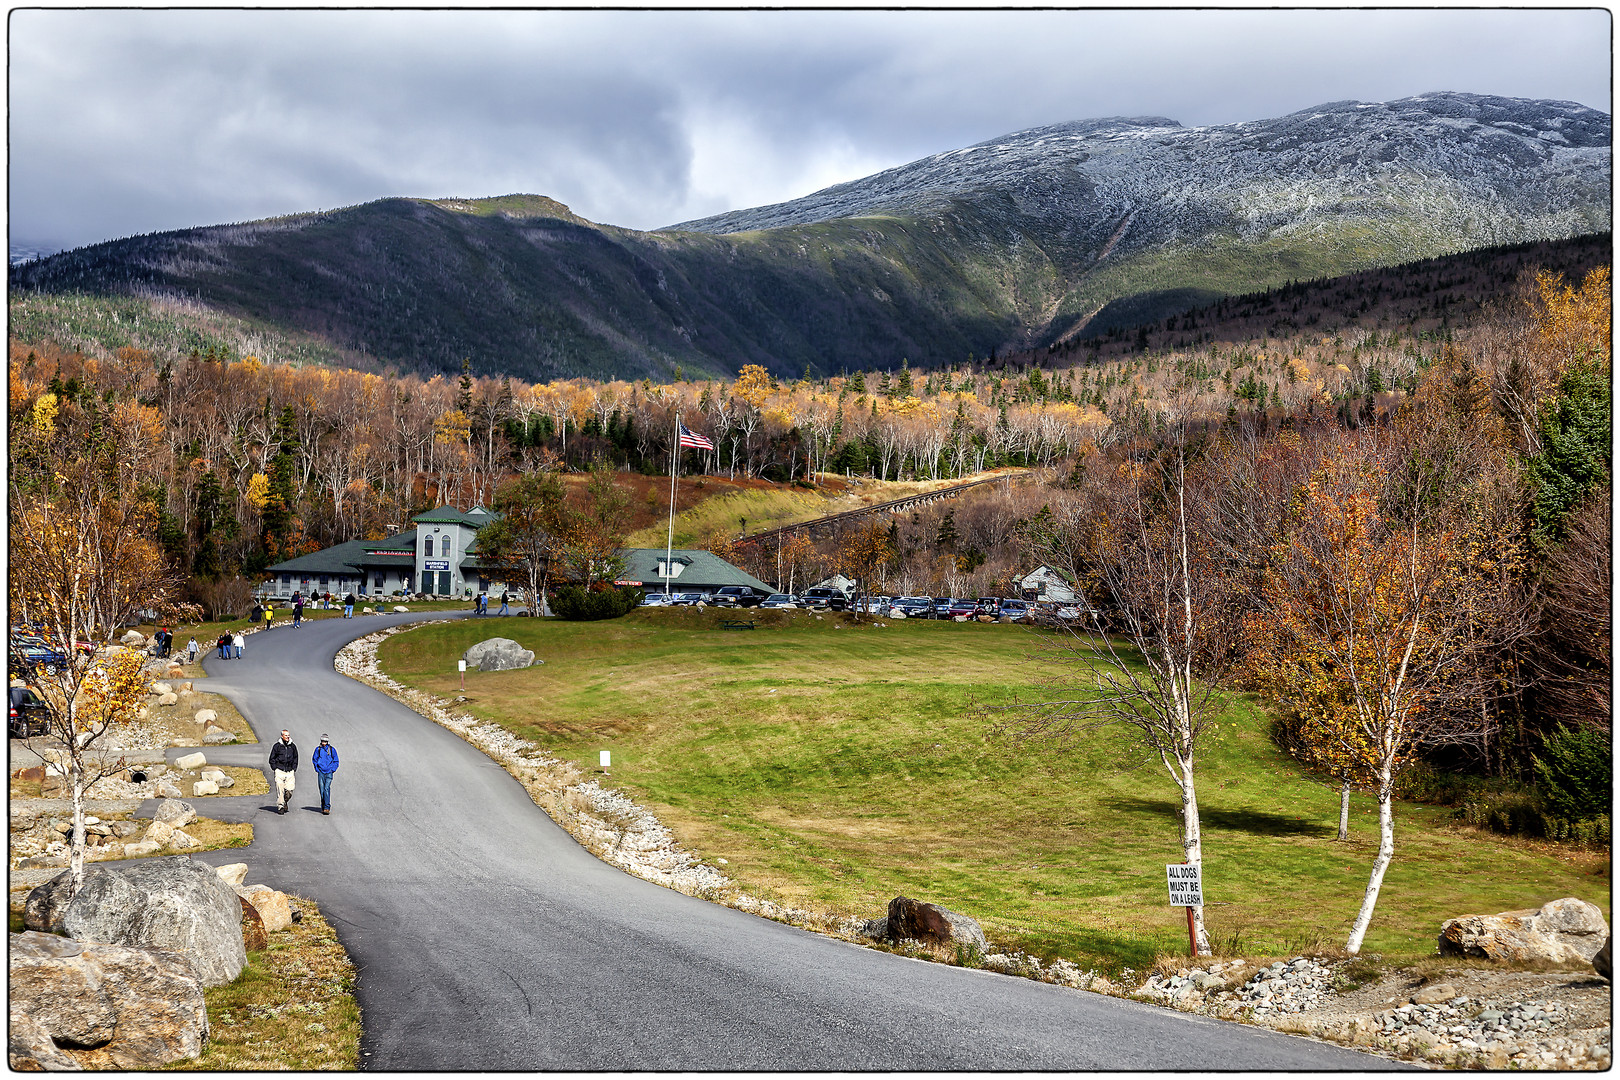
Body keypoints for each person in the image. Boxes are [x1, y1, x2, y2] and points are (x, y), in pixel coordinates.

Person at [269, 729, 298, 814]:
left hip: (290, 771)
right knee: (280, 790)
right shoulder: (277, 746)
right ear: (282, 736)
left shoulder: (292, 746)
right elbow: (272, 758)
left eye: (288, 735)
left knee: (290, 790)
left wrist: (294, 768)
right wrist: (275, 768)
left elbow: (296, 757)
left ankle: (285, 801)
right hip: (279, 770)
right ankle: (280, 806)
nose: (288, 737)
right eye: (286, 735)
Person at [311, 734, 339, 815]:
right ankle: (323, 806)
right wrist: (317, 768)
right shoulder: (318, 749)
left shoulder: (332, 750)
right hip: (321, 772)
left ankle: (327, 807)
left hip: (329, 772)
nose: (324, 743)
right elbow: (314, 759)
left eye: (325, 741)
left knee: (326, 788)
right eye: (323, 741)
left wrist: (332, 769)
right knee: (322, 789)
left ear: (327, 742)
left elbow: (336, 760)